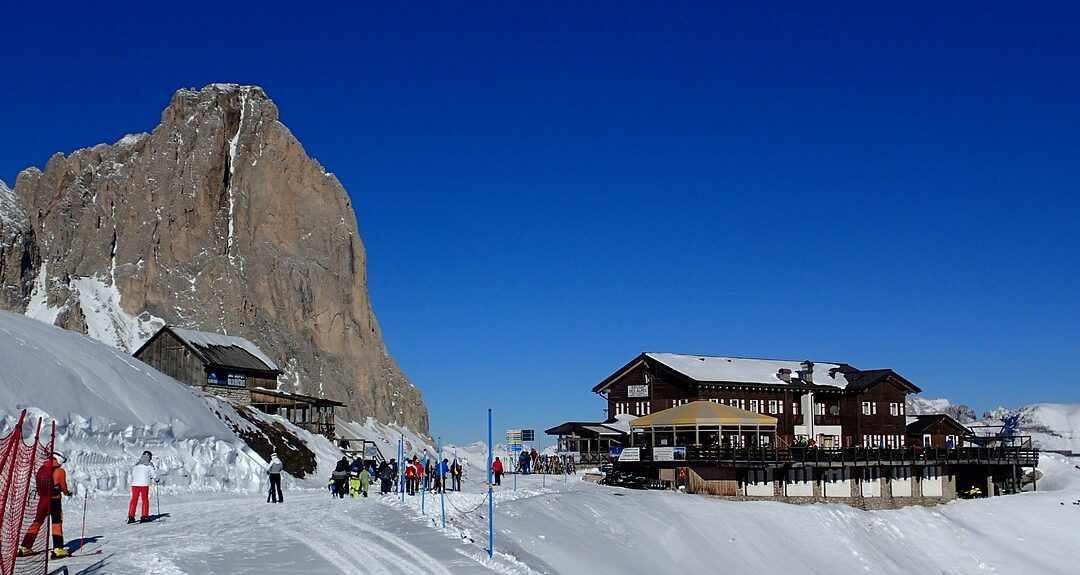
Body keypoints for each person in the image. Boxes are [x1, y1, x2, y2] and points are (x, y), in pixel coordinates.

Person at [19, 452, 73, 558]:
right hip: (55, 500)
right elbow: (63, 486)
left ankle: (25, 547)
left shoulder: (41, 469)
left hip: (43, 501)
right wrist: (67, 493)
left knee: (37, 522)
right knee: (57, 522)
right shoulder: (60, 471)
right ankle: (58, 548)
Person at [128, 450, 159, 523]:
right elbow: (153, 474)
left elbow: (133, 474)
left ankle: (131, 516)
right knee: (145, 499)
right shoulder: (149, 464)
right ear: (149, 456)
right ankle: (144, 516)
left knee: (134, 500)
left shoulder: (137, 464)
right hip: (144, 484)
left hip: (135, 484)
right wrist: (156, 478)